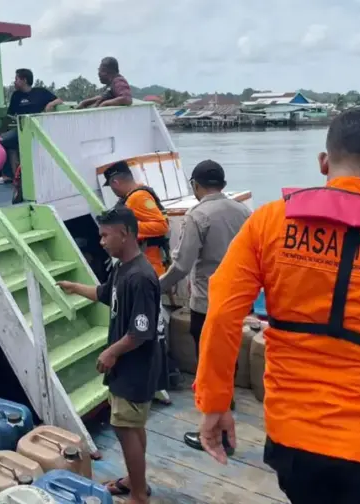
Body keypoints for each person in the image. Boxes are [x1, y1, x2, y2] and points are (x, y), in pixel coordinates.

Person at [194, 107, 360, 503]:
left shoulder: (269, 221)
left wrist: (214, 403)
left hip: (295, 440)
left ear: (323, 162)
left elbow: (221, 315)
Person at [57, 207, 161, 504]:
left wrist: (111, 352)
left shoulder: (140, 277)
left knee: (125, 427)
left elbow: (141, 331)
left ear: (125, 233)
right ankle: (133, 480)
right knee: (131, 425)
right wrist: (74, 287)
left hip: (135, 368)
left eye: (105, 235)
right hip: (125, 368)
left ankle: (139, 494)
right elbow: (104, 294)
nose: (100, 241)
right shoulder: (121, 268)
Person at [157, 160, 250, 454]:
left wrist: (155, 286)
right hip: (238, 299)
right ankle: (228, 402)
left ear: (196, 185)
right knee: (228, 355)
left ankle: (215, 431)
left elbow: (182, 265)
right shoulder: (243, 211)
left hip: (207, 300)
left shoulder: (198, 215)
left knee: (208, 365)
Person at [101, 161, 170, 276]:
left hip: (151, 265)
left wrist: (127, 228)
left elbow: (162, 226)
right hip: (147, 264)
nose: (113, 191)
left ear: (115, 182)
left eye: (110, 186)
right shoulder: (136, 193)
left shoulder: (138, 197)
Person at [0, 68, 62, 171]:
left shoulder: (40, 92)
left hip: (39, 130)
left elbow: (59, 100)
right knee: (2, 141)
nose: (14, 82)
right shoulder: (16, 96)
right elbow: (9, 115)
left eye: (16, 79)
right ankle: (12, 175)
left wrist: (51, 104)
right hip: (21, 130)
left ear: (24, 80)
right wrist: (1, 131)